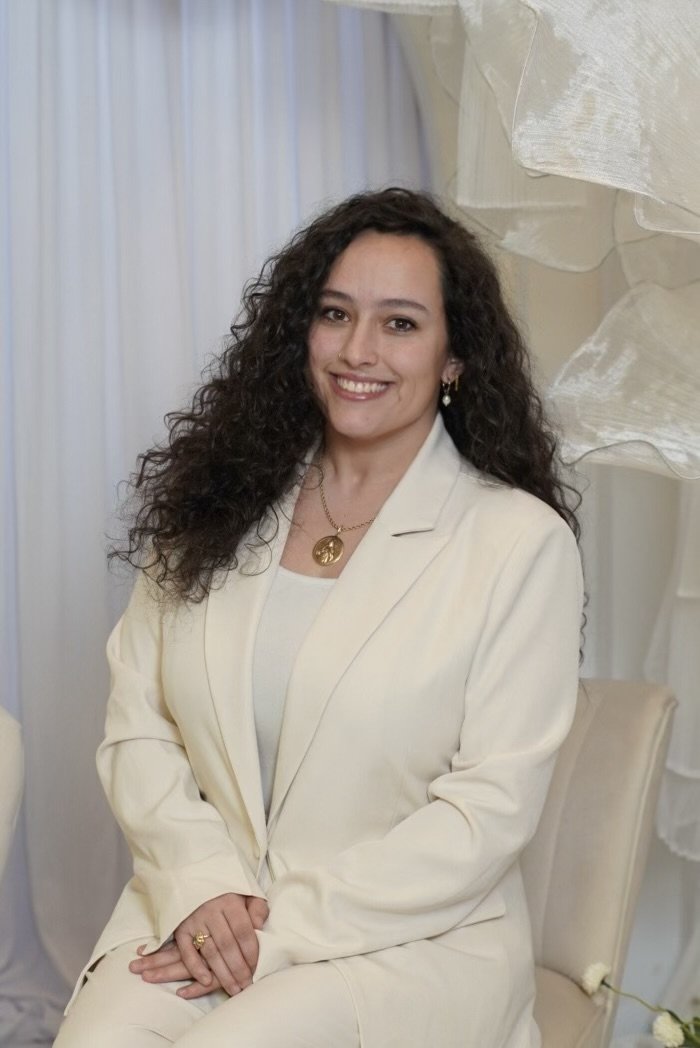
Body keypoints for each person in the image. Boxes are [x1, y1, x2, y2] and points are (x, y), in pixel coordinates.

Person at [54, 187, 583, 1048]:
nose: (359, 350)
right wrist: (203, 886)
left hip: (412, 946)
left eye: (402, 323)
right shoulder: (214, 505)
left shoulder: (519, 545)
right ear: (301, 330)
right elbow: (139, 727)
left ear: (456, 357)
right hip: (202, 906)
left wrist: (276, 929)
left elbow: (484, 814)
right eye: (336, 313)